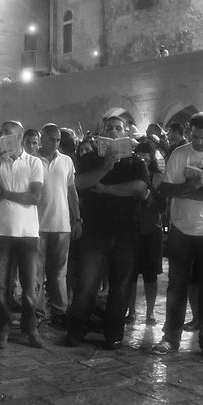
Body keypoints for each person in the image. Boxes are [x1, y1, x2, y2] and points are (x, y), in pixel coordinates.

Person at [152, 112, 203, 358]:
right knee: (177, 284)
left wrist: (187, 193)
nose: (199, 142)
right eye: (195, 137)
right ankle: (171, 337)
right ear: (190, 133)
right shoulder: (179, 154)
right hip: (181, 227)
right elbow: (166, 188)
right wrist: (189, 186)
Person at [64, 115, 148, 350]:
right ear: (102, 132)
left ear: (125, 133)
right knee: (87, 282)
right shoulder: (90, 158)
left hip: (126, 231)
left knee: (121, 284)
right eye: (109, 128)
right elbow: (78, 183)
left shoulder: (135, 161)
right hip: (95, 230)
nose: (113, 131)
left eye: (118, 128)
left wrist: (106, 189)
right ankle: (77, 328)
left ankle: (113, 332)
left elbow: (140, 188)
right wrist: (105, 168)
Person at [0, 121, 45, 349]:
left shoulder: (33, 162)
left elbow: (34, 197)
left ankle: (30, 328)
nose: (4, 139)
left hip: (27, 232)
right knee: (0, 286)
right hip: (0, 231)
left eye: (9, 135)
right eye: (2, 135)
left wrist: (7, 194)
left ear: (20, 137)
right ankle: (1, 328)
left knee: (30, 285)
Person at [37, 124, 81, 329]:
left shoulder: (66, 161)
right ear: (42, 138)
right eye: (51, 139)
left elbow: (71, 191)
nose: (55, 143)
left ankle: (59, 310)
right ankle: (37, 311)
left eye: (58, 140)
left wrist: (77, 218)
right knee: (36, 272)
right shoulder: (32, 160)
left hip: (61, 224)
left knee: (58, 273)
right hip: (36, 225)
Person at [128, 140, 164, 326]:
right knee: (130, 274)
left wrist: (148, 196)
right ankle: (131, 311)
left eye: (146, 158)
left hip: (151, 230)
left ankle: (150, 312)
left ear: (151, 159)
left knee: (150, 274)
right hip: (132, 228)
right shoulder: (130, 174)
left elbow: (161, 205)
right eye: (139, 157)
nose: (142, 161)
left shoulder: (157, 177)